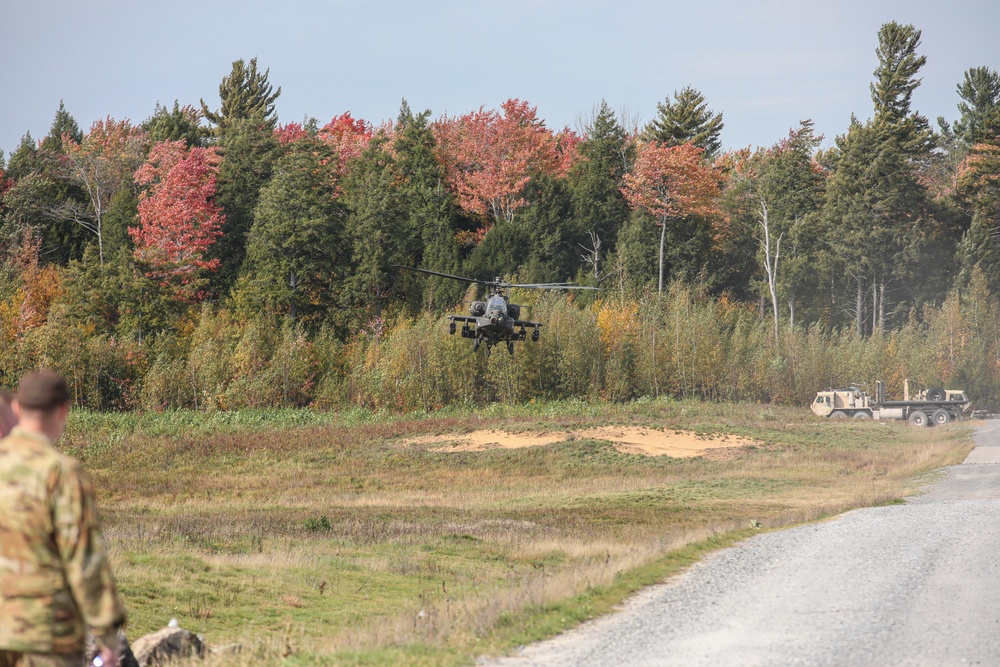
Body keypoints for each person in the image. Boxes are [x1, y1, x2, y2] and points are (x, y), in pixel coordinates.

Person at [0, 370, 126, 667]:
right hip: (46, 634)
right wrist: (106, 635)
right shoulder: (61, 473)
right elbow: (84, 559)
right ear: (63, 410)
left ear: (17, 409)